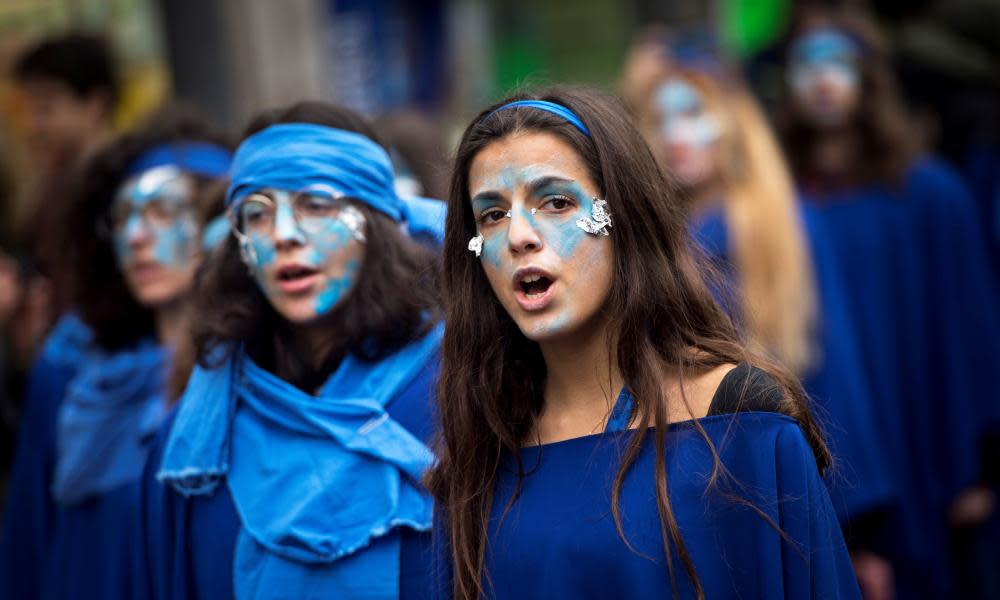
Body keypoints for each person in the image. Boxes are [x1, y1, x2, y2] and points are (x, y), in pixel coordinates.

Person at [426, 88, 860, 599]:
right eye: (492, 214)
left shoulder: (740, 421)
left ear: (625, 217)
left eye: (557, 202)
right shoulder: (479, 450)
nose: (518, 235)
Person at [622, 42, 897, 598]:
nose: (676, 134)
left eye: (693, 113)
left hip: (786, 492)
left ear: (732, 124)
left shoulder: (785, 229)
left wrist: (860, 529)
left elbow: (835, 372)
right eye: (661, 120)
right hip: (685, 504)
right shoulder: (648, 248)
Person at [138, 101, 444, 599]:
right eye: (256, 214)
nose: (283, 235)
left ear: (374, 221)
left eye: (316, 205)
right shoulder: (195, 442)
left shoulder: (460, 388)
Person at [776, 6, 1000, 598]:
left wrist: (977, 468)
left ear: (870, 74)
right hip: (843, 444)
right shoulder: (778, 208)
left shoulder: (932, 194)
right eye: (806, 63)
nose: (822, 79)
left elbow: (973, 336)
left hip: (926, 441)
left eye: (838, 62)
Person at [0, 106, 232, 600]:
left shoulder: (260, 374)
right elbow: (28, 541)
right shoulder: (71, 369)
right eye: (125, 216)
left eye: (165, 211)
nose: (136, 237)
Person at [11, 32, 120, 321]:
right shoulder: (47, 196)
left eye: (46, 108)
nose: (33, 126)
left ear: (96, 105)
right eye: (28, 110)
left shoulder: (127, 189)